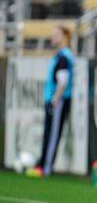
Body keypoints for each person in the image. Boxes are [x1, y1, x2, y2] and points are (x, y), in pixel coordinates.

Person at [26, 25, 74, 178]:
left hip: (58, 102)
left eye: (56, 34)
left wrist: (55, 100)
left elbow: (63, 82)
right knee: (48, 133)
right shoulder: (60, 55)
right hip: (55, 101)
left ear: (65, 37)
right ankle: (42, 164)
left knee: (53, 134)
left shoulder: (64, 57)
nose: (53, 37)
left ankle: (45, 167)